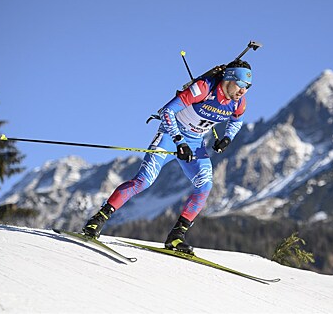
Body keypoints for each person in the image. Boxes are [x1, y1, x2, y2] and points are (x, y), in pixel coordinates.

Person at [82, 59, 252, 254]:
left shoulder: (239, 102)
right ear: (229, 78)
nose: (243, 90)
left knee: (205, 185)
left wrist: (227, 138)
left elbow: (237, 121)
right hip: (170, 136)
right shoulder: (203, 89)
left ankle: (176, 237)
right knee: (144, 181)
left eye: (248, 86)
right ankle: (97, 220)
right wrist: (179, 141)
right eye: (240, 84)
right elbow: (168, 111)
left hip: (195, 142)